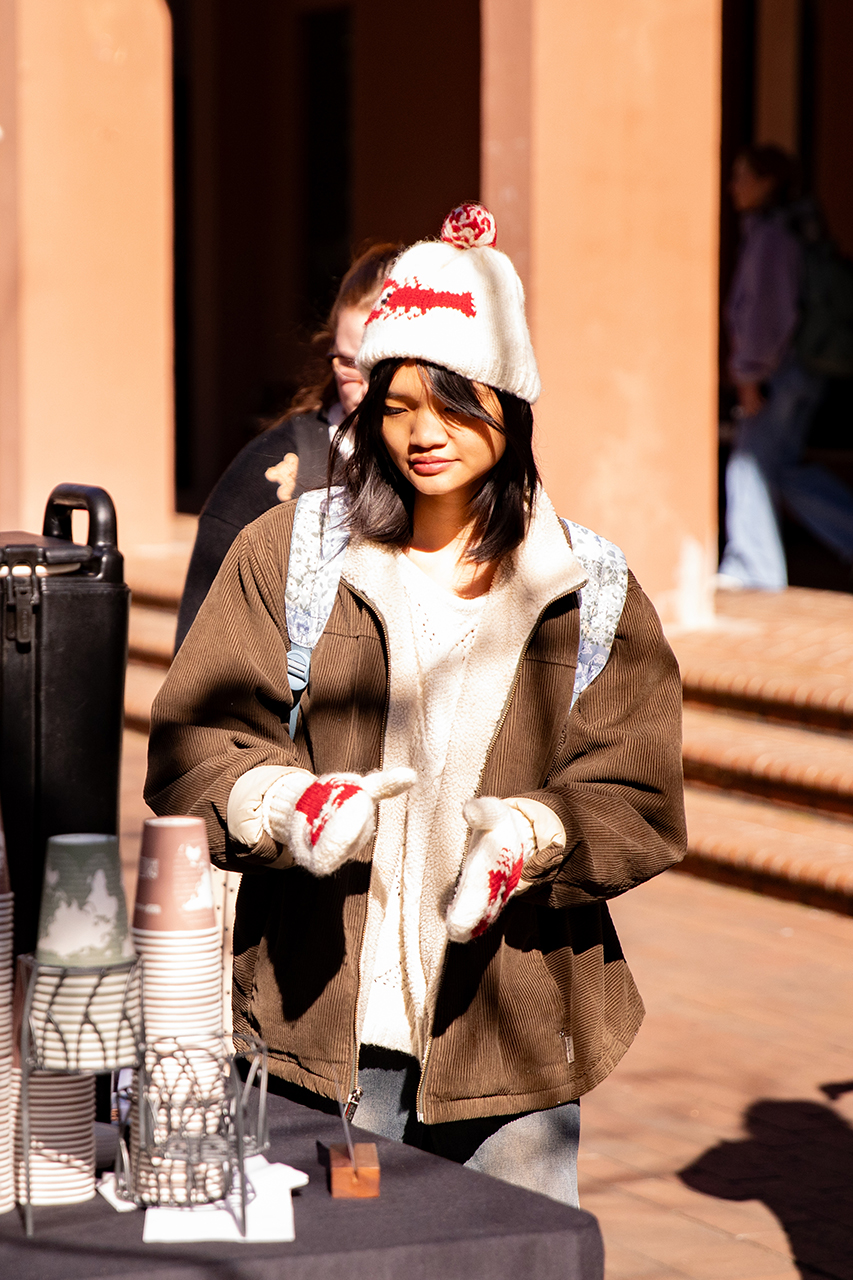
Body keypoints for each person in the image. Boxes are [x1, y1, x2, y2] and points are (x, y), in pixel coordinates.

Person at [146, 203, 687, 1206]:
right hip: (319, 1027)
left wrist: (531, 834)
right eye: (398, 401)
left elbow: (639, 794)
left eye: (457, 400)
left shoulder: (588, 586)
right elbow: (194, 743)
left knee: (511, 1262)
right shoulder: (293, 554)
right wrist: (280, 803)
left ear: (512, 404)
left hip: (513, 1042)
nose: (425, 432)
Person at [175, 242, 402, 648]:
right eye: (348, 363)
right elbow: (200, 656)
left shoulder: (446, 469)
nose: (366, 386)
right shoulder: (270, 475)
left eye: (381, 365)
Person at [718, 145, 853, 590]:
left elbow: (766, 315)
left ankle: (754, 567)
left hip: (780, 375)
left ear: (767, 182)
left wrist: (749, 376)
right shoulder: (786, 232)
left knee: (748, 465)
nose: (733, 186)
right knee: (782, 468)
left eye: (742, 176)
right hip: (798, 373)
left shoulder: (771, 239)